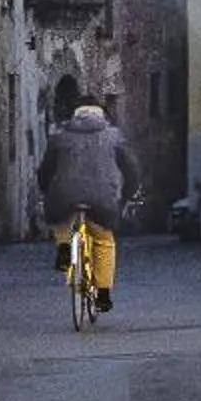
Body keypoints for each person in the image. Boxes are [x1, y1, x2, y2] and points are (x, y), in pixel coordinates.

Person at [36, 95, 141, 309]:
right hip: (103, 199)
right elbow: (131, 169)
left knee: (62, 216)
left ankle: (65, 246)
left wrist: (47, 191)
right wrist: (129, 194)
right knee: (103, 240)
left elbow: (45, 170)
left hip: (65, 195)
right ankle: (103, 293)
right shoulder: (114, 136)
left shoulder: (60, 136)